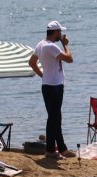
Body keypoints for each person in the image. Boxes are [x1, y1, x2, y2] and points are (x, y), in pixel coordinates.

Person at [29, 20, 76, 159]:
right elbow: (69, 58)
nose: (61, 35)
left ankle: (56, 149)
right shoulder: (51, 46)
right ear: (55, 32)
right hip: (55, 86)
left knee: (54, 117)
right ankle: (55, 150)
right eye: (59, 32)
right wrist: (65, 44)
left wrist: (43, 76)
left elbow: (31, 63)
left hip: (48, 85)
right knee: (55, 118)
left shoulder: (40, 44)